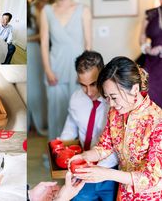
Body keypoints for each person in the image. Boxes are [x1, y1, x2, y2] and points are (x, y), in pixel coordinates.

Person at [69, 56, 162, 200]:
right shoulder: (116, 112)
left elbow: (153, 177)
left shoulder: (156, 121)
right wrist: (84, 156)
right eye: (107, 97)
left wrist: (106, 174)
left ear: (135, 89)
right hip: (123, 193)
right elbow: (105, 146)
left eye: (114, 97)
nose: (110, 104)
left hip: (150, 196)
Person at [60, 51, 118, 201]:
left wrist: (99, 170)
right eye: (83, 85)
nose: (89, 91)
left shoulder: (115, 102)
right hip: (83, 169)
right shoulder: (76, 99)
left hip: (110, 171)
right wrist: (60, 149)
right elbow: (71, 127)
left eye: (93, 84)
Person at [40, 0, 92, 140]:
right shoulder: (47, 11)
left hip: (78, 67)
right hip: (55, 65)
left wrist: (84, 70)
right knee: (56, 112)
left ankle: (78, 153)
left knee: (78, 110)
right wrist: (48, 70)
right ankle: (55, 153)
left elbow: (88, 44)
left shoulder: (84, 10)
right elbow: (44, 43)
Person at [27, 0, 52, 134]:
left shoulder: (33, 11)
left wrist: (26, 39)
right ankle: (28, 123)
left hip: (33, 51)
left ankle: (38, 122)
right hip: (26, 52)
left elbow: (41, 34)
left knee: (36, 86)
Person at [139, 0, 162, 108]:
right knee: (148, 91)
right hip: (151, 61)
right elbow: (142, 36)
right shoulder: (151, 13)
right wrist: (148, 49)